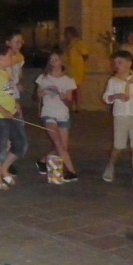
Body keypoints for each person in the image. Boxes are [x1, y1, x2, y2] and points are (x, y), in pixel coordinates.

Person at [101, 50, 133, 189]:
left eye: (120, 62)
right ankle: (111, 165)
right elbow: (106, 97)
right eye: (115, 63)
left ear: (129, 63)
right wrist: (116, 96)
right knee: (118, 146)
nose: (116, 65)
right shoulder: (113, 80)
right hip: (120, 116)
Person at [0, 45, 28, 191]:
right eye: (4, 57)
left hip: (12, 114)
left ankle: (5, 169)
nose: (8, 60)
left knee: (21, 144)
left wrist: (15, 104)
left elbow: (8, 93)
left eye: (9, 57)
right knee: (0, 146)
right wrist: (3, 111)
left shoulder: (6, 74)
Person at [34, 49, 78, 181]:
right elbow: (37, 96)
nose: (53, 62)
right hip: (48, 113)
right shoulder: (43, 77)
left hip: (63, 115)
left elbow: (70, 102)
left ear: (62, 62)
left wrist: (63, 97)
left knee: (61, 147)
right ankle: (70, 172)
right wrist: (40, 94)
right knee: (58, 143)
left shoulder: (68, 80)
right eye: (51, 59)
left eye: (56, 59)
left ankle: (43, 162)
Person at [64, 27, 88, 112]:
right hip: (69, 69)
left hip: (76, 69)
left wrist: (79, 63)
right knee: (69, 88)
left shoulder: (78, 43)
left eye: (67, 33)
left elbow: (85, 54)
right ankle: (70, 105)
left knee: (77, 88)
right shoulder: (68, 44)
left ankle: (78, 107)